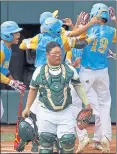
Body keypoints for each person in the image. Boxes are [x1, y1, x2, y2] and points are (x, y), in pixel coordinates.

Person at [21, 41, 92, 153]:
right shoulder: (39, 71)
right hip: (46, 112)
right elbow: (33, 90)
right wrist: (27, 107)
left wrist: (86, 103)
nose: (58, 55)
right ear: (47, 55)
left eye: (60, 53)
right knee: (45, 143)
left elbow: (78, 86)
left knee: (68, 142)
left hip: (66, 112)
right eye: (55, 53)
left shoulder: (69, 69)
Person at [78, 3, 116, 153]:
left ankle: (82, 136)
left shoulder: (89, 28)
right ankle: (105, 137)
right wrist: (115, 19)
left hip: (87, 71)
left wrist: (82, 24)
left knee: (74, 103)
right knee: (105, 106)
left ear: (94, 14)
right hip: (103, 72)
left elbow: (74, 39)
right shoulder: (111, 30)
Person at [0, 21, 26, 119]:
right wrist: (11, 83)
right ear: (7, 35)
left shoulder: (8, 49)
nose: (19, 34)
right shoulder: (1, 50)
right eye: (15, 33)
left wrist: (14, 83)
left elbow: (4, 70)